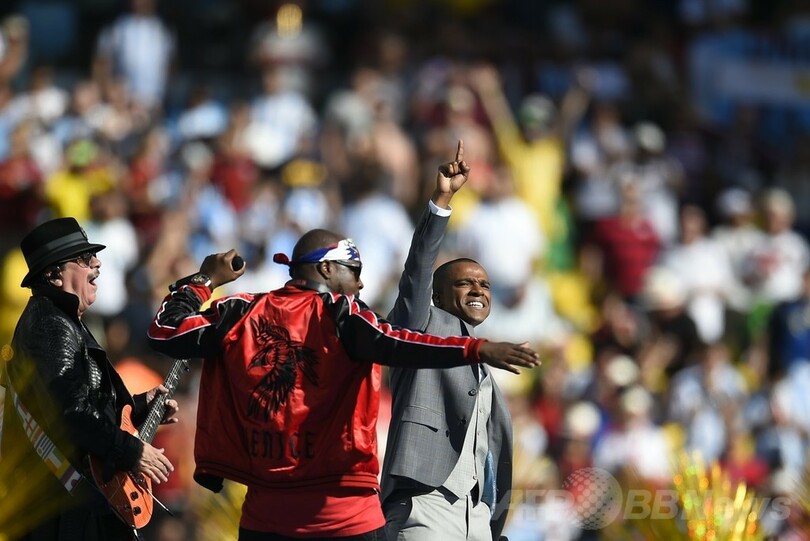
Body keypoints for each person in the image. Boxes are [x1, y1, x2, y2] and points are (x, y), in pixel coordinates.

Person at [146, 215, 539, 539]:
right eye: (355, 271)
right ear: (326, 269)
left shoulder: (241, 311)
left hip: (264, 516)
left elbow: (165, 331)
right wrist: (474, 349)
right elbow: (400, 342)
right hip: (345, 518)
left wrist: (204, 281)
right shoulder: (345, 315)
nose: (361, 283)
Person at [0, 217, 178, 541]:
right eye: (84, 258)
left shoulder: (58, 319)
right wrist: (131, 451)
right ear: (55, 276)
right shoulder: (52, 326)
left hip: (67, 506)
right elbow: (72, 413)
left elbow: (78, 403)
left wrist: (139, 406)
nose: (97, 263)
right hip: (63, 514)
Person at [380, 141, 516, 540]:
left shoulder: (483, 360)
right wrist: (441, 201)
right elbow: (418, 270)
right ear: (437, 296)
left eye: (485, 284)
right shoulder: (420, 326)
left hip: (478, 516)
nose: (478, 290)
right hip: (426, 503)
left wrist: (490, 518)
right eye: (465, 283)